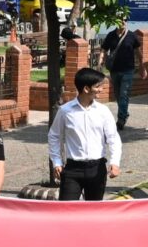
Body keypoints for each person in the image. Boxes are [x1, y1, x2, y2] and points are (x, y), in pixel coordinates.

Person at [49, 67, 122, 199]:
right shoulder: (65, 111)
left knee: (93, 213)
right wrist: (57, 162)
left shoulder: (103, 111)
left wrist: (115, 162)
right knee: (66, 211)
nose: (101, 89)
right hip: (72, 169)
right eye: (98, 86)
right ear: (86, 89)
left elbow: (113, 138)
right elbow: (54, 136)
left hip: (97, 169)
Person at [104, 24, 143, 130]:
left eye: (125, 20)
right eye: (120, 20)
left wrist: (142, 67)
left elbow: (139, 52)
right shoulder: (111, 35)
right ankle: (124, 112)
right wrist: (99, 64)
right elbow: (104, 51)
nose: (123, 22)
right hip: (114, 70)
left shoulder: (131, 36)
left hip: (128, 70)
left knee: (123, 94)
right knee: (117, 95)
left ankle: (121, 119)